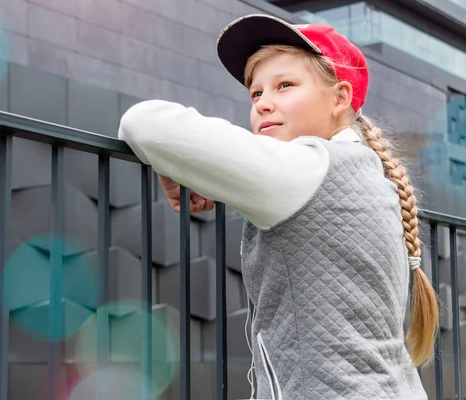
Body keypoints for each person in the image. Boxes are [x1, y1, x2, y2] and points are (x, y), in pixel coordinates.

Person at [118, 14, 437, 400]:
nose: (264, 103)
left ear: (340, 98)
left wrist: (169, 164)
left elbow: (142, 123)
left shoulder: (307, 168)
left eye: (285, 85)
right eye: (256, 93)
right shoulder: (370, 177)